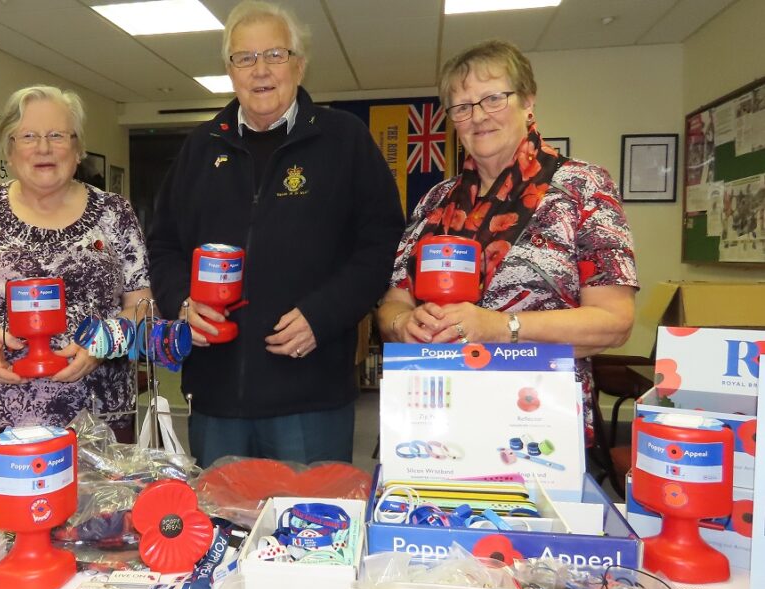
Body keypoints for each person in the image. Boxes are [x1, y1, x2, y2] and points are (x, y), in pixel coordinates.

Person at [147, 1, 404, 466]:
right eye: (244, 58)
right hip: (216, 395)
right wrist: (182, 301)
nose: (259, 70)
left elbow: (382, 245)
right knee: (221, 529)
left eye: (275, 55)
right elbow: (162, 245)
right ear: (230, 70)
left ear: (299, 65)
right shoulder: (200, 148)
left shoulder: (345, 140)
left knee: (313, 531)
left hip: (311, 394)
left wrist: (323, 316)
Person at [377, 40, 638, 443]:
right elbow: (395, 302)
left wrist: (503, 327)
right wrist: (402, 323)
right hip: (437, 418)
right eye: (462, 107)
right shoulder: (434, 202)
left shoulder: (582, 188)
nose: (478, 116)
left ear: (527, 101)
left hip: (536, 421)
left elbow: (614, 323)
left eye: (493, 98)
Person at [0, 85, 151, 448]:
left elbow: (142, 307)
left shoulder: (115, 213)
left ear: (78, 148)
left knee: (103, 506)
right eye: (27, 136)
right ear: (9, 149)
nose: (43, 148)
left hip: (98, 419)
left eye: (57, 135)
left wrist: (104, 341)